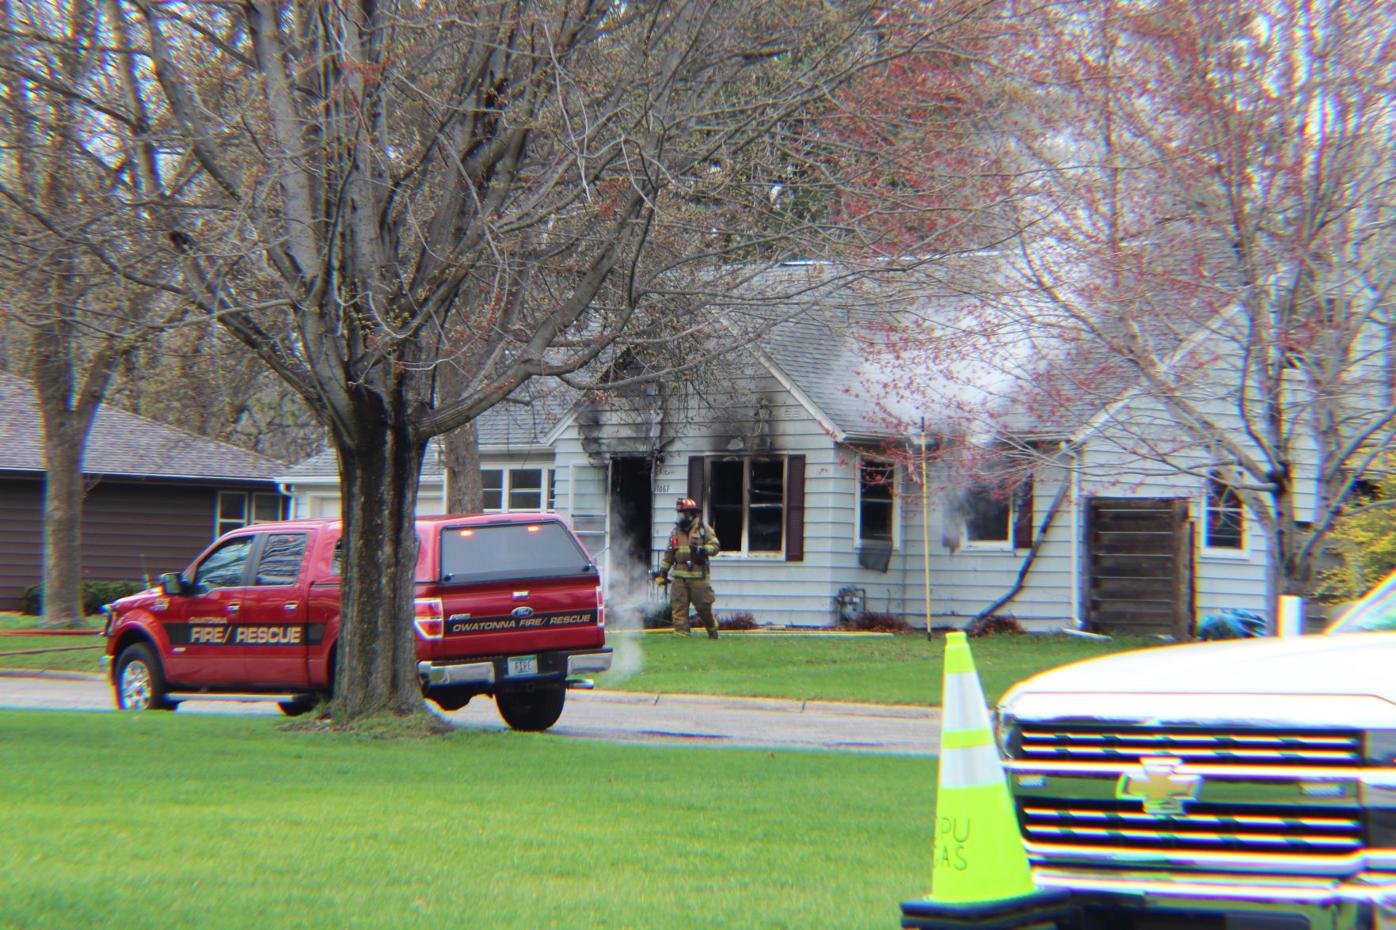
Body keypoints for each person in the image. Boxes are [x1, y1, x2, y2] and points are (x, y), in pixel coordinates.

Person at [653, 497, 721, 638]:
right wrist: (663, 571)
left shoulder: (703, 529)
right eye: (678, 513)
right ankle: (681, 635)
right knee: (678, 608)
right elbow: (669, 554)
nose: (679, 517)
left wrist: (704, 550)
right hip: (679, 578)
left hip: (698, 578)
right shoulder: (675, 532)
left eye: (682, 513)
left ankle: (712, 630)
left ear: (690, 514)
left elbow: (715, 545)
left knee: (703, 608)